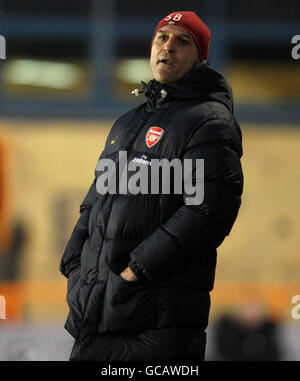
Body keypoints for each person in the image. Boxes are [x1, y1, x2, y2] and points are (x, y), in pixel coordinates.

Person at [59, 11, 244, 361]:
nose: (168, 47)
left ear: (200, 56)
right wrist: (73, 266)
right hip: (95, 316)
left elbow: (208, 211)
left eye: (182, 41)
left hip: (158, 322)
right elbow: (95, 201)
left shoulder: (210, 121)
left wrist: (136, 271)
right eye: (162, 37)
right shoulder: (127, 122)